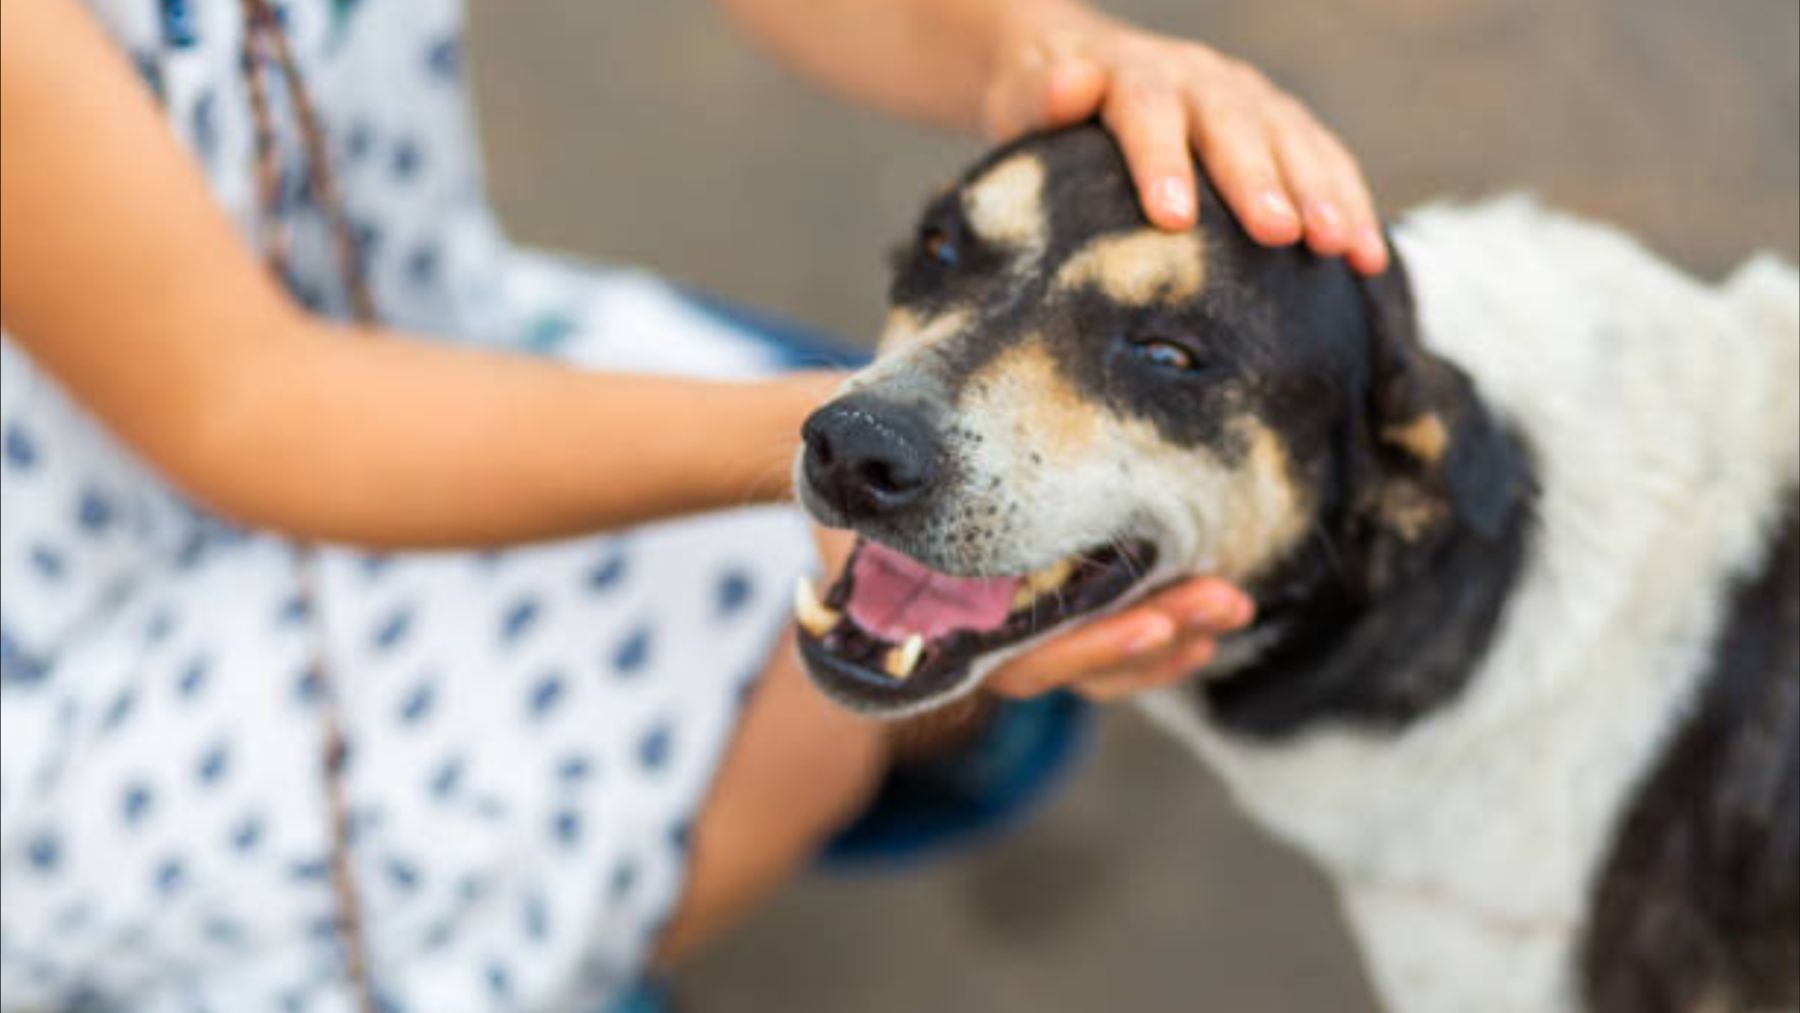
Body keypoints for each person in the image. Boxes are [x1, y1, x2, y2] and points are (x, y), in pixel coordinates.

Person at [0, 0, 1386, 1009]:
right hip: (90, 597)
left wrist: (1039, 49)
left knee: (928, 601)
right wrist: (840, 442)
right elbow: (250, 409)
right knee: (829, 700)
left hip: (436, 324)